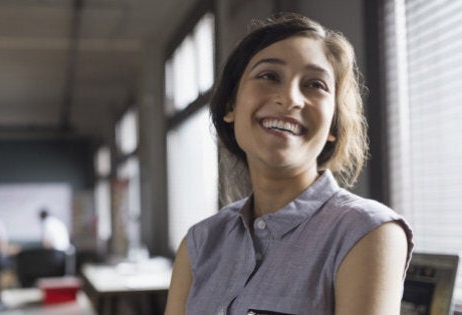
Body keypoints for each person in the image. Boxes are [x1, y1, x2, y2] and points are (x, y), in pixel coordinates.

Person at [165, 13, 413, 315]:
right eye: (269, 76)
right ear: (231, 105)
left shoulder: (367, 232)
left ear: (333, 125)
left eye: (315, 84)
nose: (290, 98)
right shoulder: (199, 243)